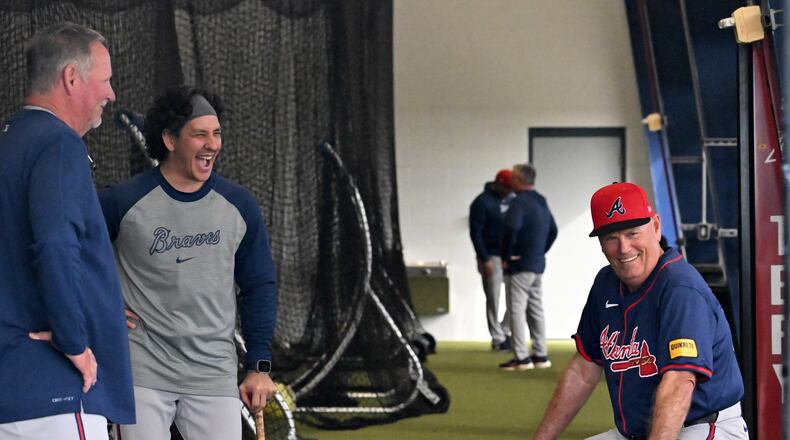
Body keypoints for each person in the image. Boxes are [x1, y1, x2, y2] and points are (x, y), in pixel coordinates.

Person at [98, 86, 279, 439]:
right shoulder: (122, 201)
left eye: (216, 134)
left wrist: (259, 365)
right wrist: (99, 303)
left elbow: (260, 286)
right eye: (200, 134)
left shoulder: (240, 206)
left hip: (213, 372)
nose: (212, 144)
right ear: (169, 139)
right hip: (141, 372)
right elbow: (71, 252)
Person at [0, 22, 135, 439]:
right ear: (71, 78)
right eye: (106, 80)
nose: (111, 95)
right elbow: (56, 245)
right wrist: (74, 340)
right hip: (55, 392)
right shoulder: (58, 144)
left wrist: (104, 305)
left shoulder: (9, 144)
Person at [533, 182, 748, 440]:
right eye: (612, 238)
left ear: (656, 227)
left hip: (702, 428)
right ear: (601, 243)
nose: (624, 248)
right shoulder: (606, 284)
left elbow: (679, 383)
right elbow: (583, 369)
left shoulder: (680, 288)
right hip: (637, 432)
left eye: (633, 233)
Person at [499, 163, 557, 371]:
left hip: (520, 264)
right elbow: (553, 230)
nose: (511, 181)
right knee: (536, 309)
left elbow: (511, 227)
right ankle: (541, 354)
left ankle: (521, 358)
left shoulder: (519, 203)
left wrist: (507, 255)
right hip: (537, 264)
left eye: (514, 177)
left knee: (516, 310)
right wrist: (539, 251)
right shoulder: (541, 201)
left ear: (520, 180)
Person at [469, 169, 515, 351]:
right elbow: (476, 233)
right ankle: (497, 337)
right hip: (490, 256)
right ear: (499, 184)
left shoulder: (511, 200)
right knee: (493, 298)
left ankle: (505, 331)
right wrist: (484, 258)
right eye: (507, 187)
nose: (510, 191)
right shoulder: (482, 202)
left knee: (515, 297)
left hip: (507, 256)